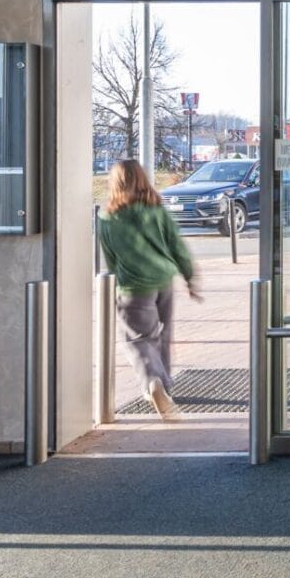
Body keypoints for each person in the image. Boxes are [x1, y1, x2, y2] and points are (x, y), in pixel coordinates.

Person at [97, 159, 202, 420]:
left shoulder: (108, 218)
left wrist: (117, 284)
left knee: (137, 340)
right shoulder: (157, 211)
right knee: (163, 335)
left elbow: (110, 259)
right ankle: (165, 388)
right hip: (163, 279)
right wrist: (189, 277)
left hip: (134, 286)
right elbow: (176, 245)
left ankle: (153, 382)